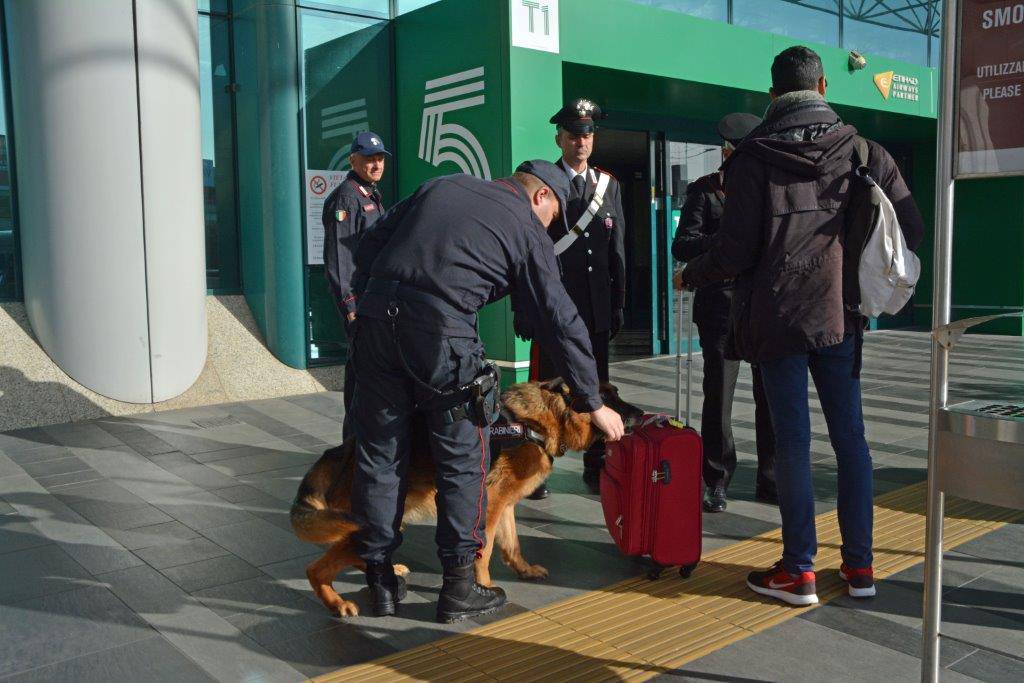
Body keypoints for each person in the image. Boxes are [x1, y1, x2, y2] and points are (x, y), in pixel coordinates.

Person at [679, 46, 924, 606]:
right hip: (843, 316)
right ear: (824, 87)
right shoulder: (865, 152)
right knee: (851, 442)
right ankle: (860, 569)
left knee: (793, 444)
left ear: (772, 96)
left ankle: (799, 571)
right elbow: (910, 227)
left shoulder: (751, 160)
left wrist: (691, 273)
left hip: (776, 320)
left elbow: (734, 253)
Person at [349, 160, 625, 623]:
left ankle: (379, 580)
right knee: (464, 454)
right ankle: (459, 585)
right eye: (553, 216)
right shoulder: (525, 223)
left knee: (381, 450)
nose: (549, 227)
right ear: (541, 197)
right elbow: (561, 319)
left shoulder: (440, 185)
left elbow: (369, 245)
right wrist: (593, 402)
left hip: (375, 322)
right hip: (441, 332)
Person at [672, 113, 777, 513]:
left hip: (763, 309)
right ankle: (716, 479)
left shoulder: (770, 191)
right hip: (719, 310)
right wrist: (728, 238)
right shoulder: (705, 190)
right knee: (719, 397)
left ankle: (771, 478)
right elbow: (682, 246)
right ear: (727, 152)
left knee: (770, 397)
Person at [525, 98, 627, 498]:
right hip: (554, 305)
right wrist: (525, 306)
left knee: (597, 385)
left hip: (596, 304)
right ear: (559, 139)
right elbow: (529, 249)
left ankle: (597, 462)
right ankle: (535, 465)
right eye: (573, 136)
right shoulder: (543, 182)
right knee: (547, 388)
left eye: (587, 135)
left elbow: (617, 248)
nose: (581, 142)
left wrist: (618, 301)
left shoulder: (608, 184)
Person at [322, 131, 389, 441]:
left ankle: (359, 447)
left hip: (372, 300)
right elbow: (340, 259)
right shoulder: (347, 197)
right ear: (353, 160)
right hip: (359, 304)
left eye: (379, 159)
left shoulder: (369, 192)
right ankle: (352, 449)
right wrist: (350, 308)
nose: (376, 164)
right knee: (362, 380)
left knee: (370, 377)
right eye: (369, 159)